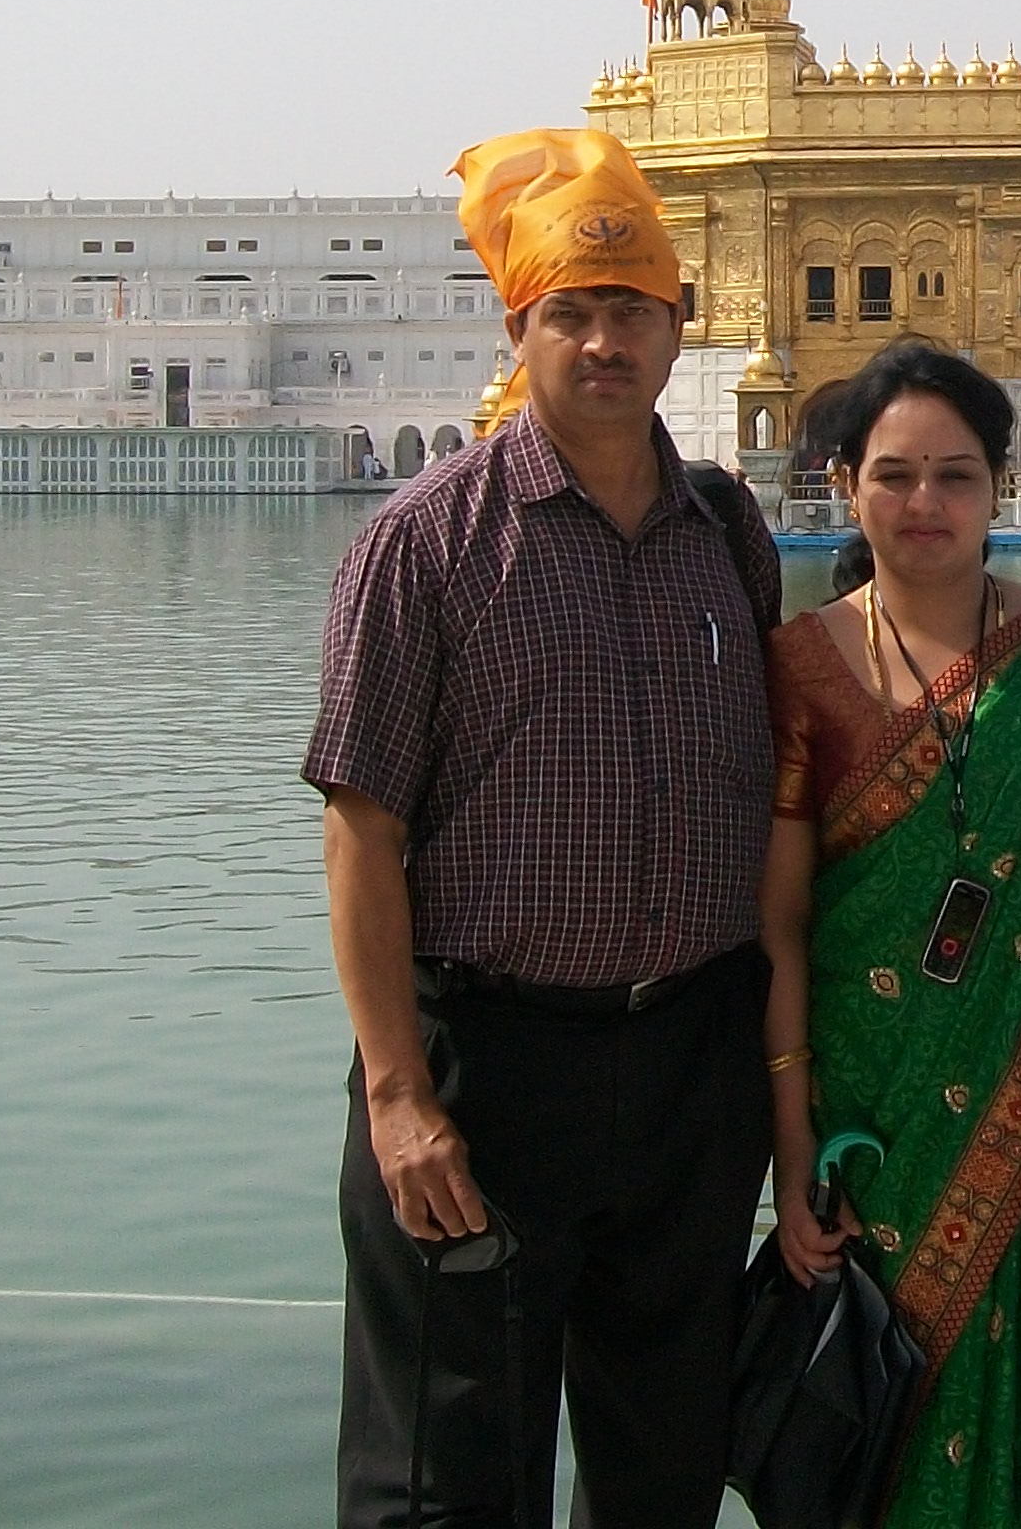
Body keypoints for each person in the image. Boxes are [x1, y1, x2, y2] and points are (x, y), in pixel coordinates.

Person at [304, 126, 782, 1529]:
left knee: (661, 1471)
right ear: (521, 325)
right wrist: (399, 1097)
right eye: (569, 313)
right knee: (448, 1477)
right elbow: (361, 830)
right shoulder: (431, 541)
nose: (601, 341)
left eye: (629, 309)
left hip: (689, 1071)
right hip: (486, 1075)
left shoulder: (723, 531)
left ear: (678, 327)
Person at [761, 339, 1021, 1526]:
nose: (924, 503)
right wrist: (792, 1153)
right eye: (894, 475)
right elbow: (778, 932)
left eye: (956, 475)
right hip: (875, 1141)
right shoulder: (797, 672)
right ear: (845, 485)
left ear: (1003, 484)